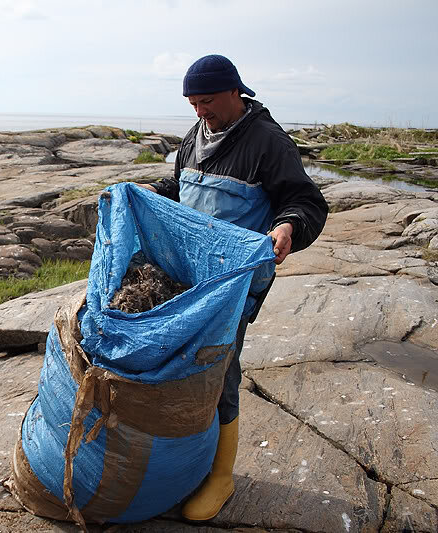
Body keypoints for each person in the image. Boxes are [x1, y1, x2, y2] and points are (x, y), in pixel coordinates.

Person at [141, 55, 329, 521]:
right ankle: (185, 457)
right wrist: (146, 192)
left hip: (236, 284)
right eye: (192, 103)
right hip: (189, 275)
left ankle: (221, 477)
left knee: (219, 369)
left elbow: (304, 200)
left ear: (235, 92)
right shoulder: (196, 135)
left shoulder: (268, 142)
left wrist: (288, 226)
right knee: (175, 364)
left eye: (206, 101)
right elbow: (183, 185)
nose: (200, 111)